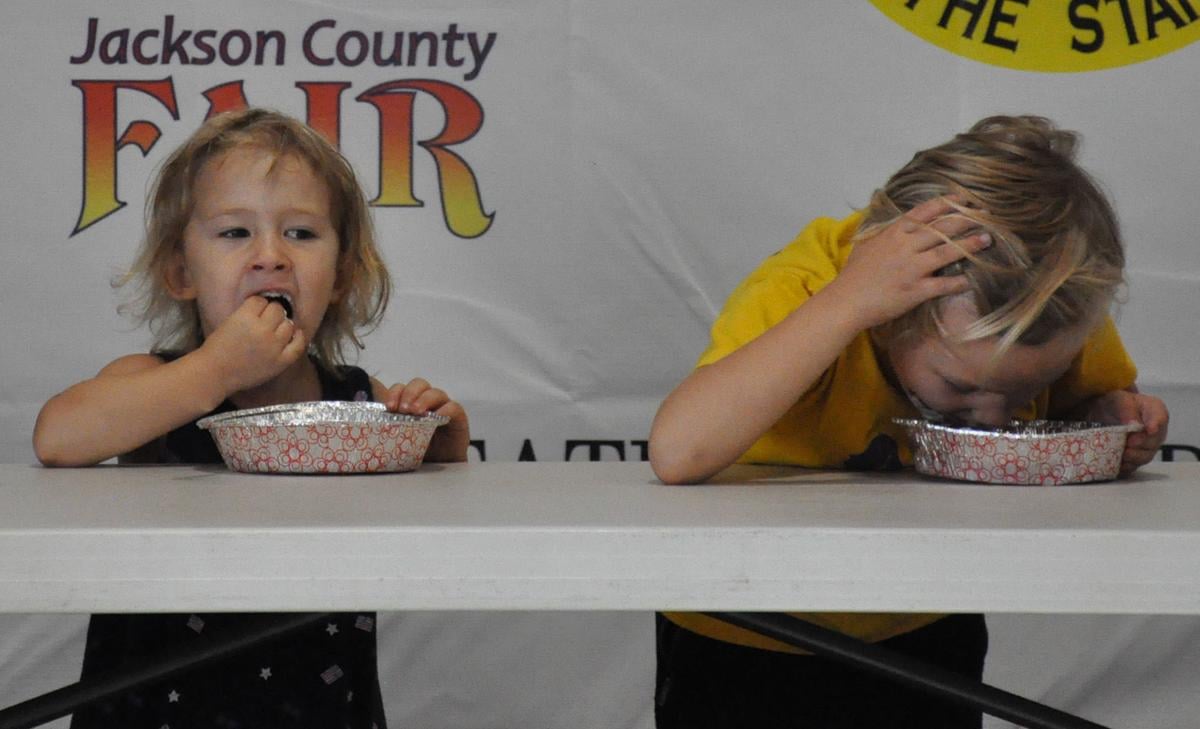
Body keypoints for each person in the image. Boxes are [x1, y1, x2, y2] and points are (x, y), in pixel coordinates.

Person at [647, 115, 1169, 728]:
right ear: (892, 313)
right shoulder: (813, 288)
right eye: (960, 385)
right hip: (745, 628)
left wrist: (1106, 418)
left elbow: (1091, 399)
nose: (995, 417)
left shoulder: (1040, 305)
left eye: (1024, 391)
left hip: (925, 620)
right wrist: (845, 304)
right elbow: (678, 452)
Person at [33, 107, 470, 728]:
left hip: (317, 702)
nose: (271, 256)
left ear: (342, 275)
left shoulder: (356, 396)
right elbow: (57, 437)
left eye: (302, 234)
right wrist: (216, 369)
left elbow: (424, 515)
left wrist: (436, 444)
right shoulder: (152, 386)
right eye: (235, 233)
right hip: (157, 708)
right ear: (182, 272)